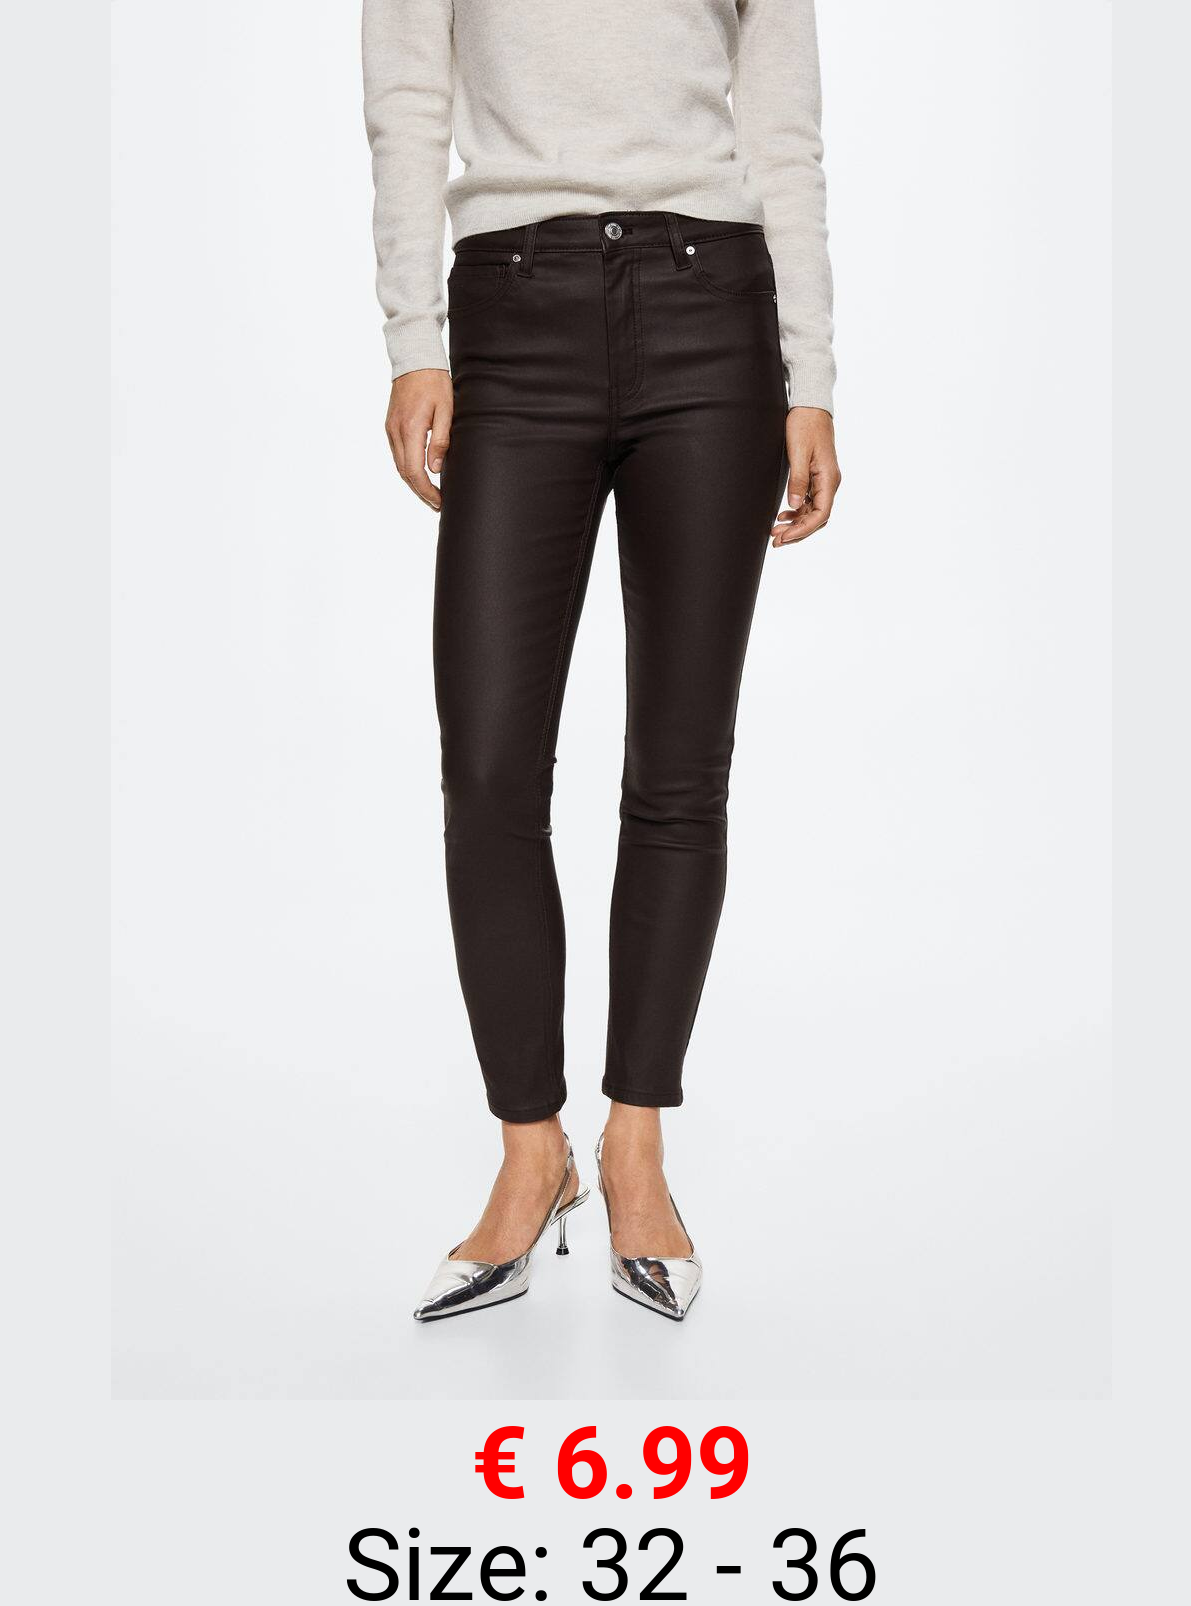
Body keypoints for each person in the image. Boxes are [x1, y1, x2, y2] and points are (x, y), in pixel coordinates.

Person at [362, 0, 841, 1323]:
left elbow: (782, 127)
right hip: (512, 310)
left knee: (679, 770)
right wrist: (413, 339)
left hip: (713, 310)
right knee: (489, 771)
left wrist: (809, 372)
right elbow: (406, 100)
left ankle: (635, 1143)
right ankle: (533, 1153)